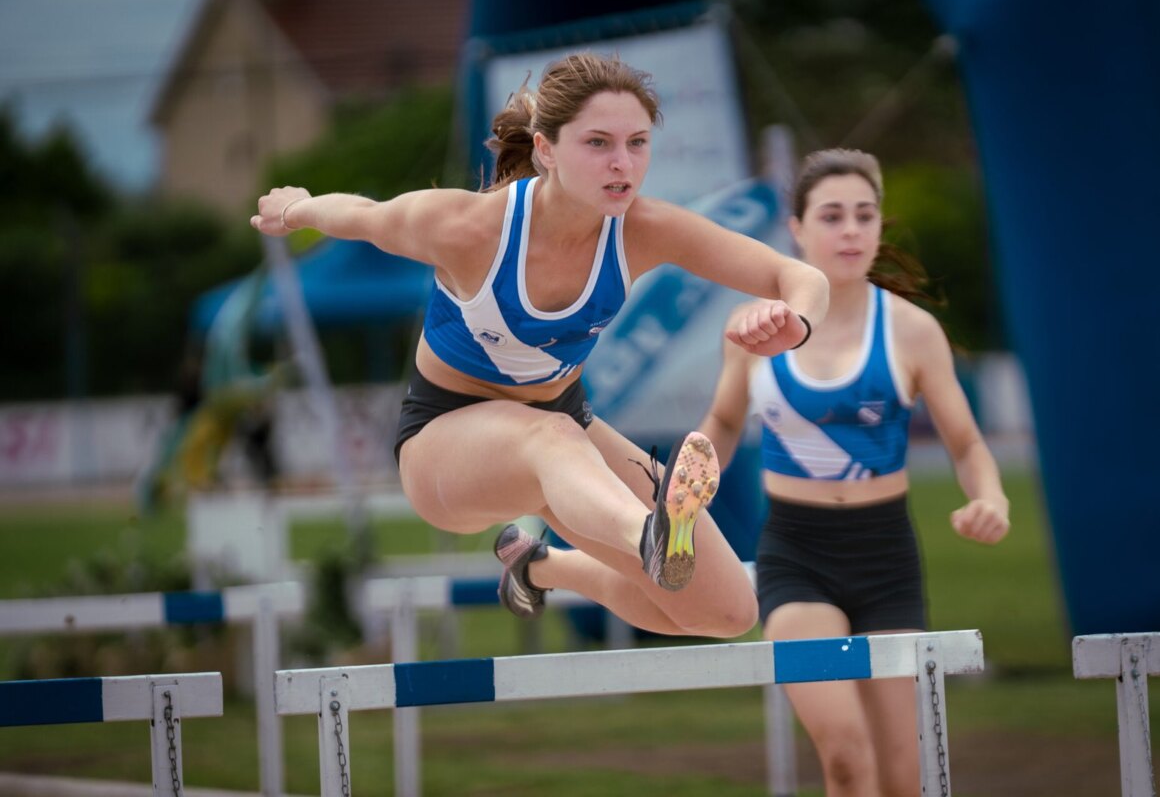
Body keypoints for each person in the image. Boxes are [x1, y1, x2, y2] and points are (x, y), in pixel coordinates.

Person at [251, 52, 829, 638]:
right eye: (598, 143)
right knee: (554, 438)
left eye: (637, 143)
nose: (622, 163)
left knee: (728, 612)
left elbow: (800, 277)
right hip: (442, 442)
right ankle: (647, 533)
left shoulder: (645, 229)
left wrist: (797, 322)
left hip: (563, 427)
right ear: (546, 149)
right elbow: (361, 215)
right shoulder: (467, 227)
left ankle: (543, 567)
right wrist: (295, 208)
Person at [698, 148, 1009, 795]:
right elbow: (723, 423)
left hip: (885, 557)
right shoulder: (757, 325)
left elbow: (967, 444)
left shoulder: (911, 331)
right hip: (796, 554)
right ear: (798, 229)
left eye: (865, 216)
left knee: (903, 777)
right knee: (844, 755)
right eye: (832, 216)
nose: (851, 231)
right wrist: (685, 487)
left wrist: (991, 498)